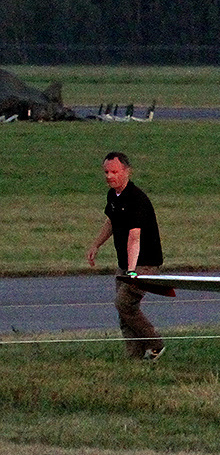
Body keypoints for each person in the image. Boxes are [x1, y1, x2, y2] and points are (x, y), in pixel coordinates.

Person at [86, 151, 165, 360]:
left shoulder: (136, 199)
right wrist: (96, 245)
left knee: (124, 303)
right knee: (124, 313)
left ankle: (155, 343)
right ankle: (134, 358)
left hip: (144, 264)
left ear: (127, 172)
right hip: (125, 262)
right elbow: (111, 221)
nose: (109, 176)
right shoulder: (113, 195)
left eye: (114, 171)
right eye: (106, 172)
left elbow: (134, 237)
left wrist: (131, 271)